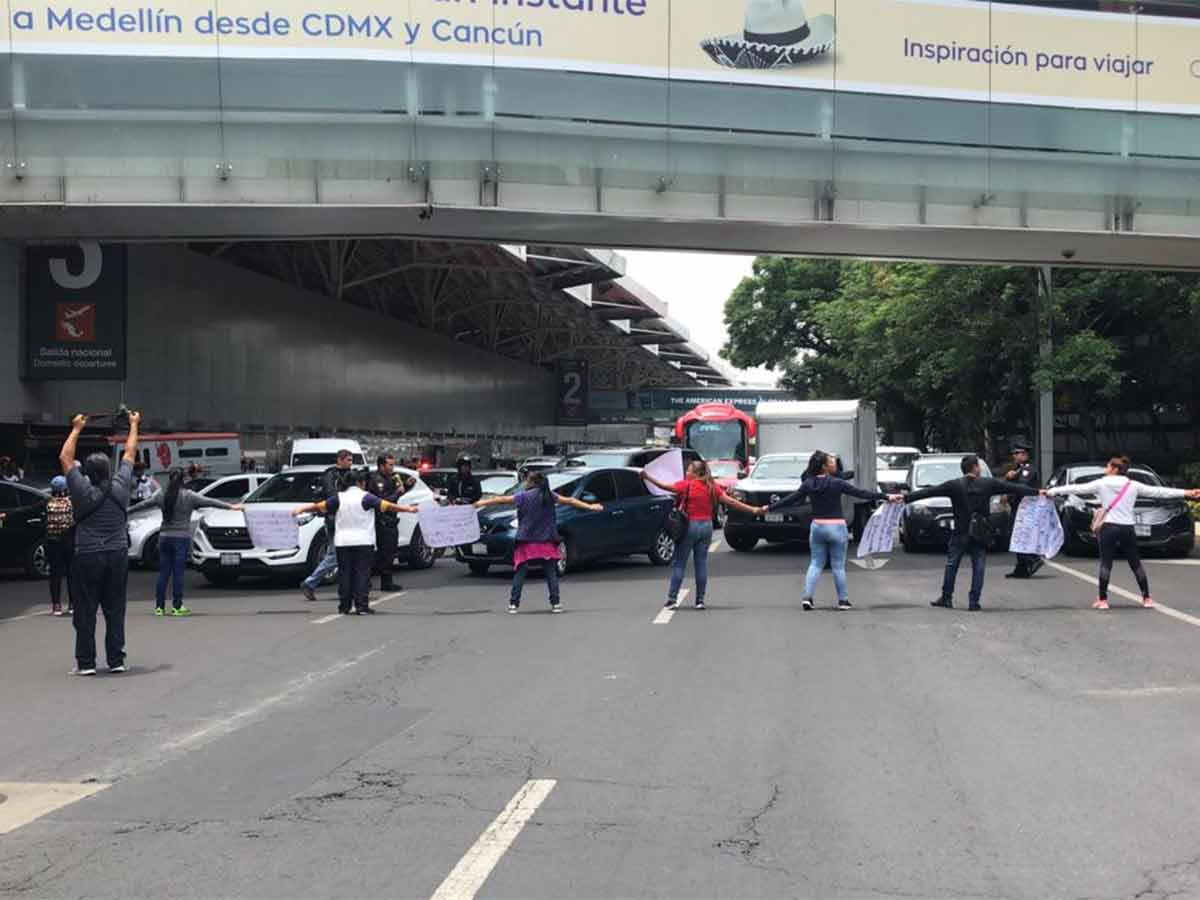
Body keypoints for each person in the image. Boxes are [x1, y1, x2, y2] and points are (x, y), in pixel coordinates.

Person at [1045, 456, 1200, 610]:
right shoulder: (1133, 485)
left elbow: (1076, 488)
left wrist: (1051, 491)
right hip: (1127, 528)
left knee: (1106, 563)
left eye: (1107, 467)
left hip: (1109, 527)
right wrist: (1187, 492)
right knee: (1135, 563)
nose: (1106, 469)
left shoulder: (1101, 483)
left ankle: (1103, 600)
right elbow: (1159, 492)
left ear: (1114, 469)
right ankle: (1147, 598)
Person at [766, 451, 904, 610]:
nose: (834, 463)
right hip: (837, 526)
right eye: (831, 461)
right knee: (838, 566)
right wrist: (887, 497)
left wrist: (769, 508)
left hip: (817, 526)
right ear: (825, 467)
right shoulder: (837, 483)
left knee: (816, 563)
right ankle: (843, 601)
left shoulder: (808, 484)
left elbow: (791, 499)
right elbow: (862, 493)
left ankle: (807, 597)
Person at [60, 410, 141, 676]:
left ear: (88, 472)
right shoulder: (121, 485)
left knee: (85, 609)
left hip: (87, 555)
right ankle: (116, 660)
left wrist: (76, 428)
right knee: (115, 608)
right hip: (117, 553)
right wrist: (133, 424)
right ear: (109, 469)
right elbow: (130, 453)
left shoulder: (80, 490)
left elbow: (65, 457)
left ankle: (86, 663)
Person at [905, 454, 1039, 611]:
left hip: (960, 531)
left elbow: (929, 492)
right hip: (980, 532)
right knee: (979, 566)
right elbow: (1014, 488)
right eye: (979, 466)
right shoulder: (988, 484)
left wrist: (904, 498)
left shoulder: (954, 485)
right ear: (975, 467)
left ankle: (946, 598)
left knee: (952, 564)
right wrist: (1038, 492)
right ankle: (973, 602)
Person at [642, 460, 768, 611]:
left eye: (689, 470)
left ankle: (671, 599)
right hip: (707, 527)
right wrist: (754, 510)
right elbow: (731, 502)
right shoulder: (711, 487)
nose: (686, 473)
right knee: (700, 563)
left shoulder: (686, 485)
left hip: (690, 526)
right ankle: (700, 600)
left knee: (679, 563)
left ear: (695, 473)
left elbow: (663, 486)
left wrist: (647, 477)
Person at [292, 467, 418, 616]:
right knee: (362, 574)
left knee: (345, 575)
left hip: (342, 542)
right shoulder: (367, 497)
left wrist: (301, 510)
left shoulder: (339, 498)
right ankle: (361, 606)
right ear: (361, 483)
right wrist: (408, 509)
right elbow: (389, 506)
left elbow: (319, 507)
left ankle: (344, 606)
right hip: (363, 542)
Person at [473, 470, 604, 613]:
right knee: (550, 573)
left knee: (520, 573)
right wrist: (591, 507)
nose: (526, 483)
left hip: (526, 540)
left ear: (533, 482)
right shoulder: (549, 496)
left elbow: (501, 500)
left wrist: (481, 503)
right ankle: (556, 603)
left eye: (528, 480)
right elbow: (570, 500)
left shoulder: (523, 497)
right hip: (546, 540)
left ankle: (513, 604)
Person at [128, 468, 244, 616]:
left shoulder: (161, 495)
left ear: (169, 479)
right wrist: (231, 507)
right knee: (178, 574)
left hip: (163, 538)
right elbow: (210, 502)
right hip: (180, 538)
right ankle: (177, 607)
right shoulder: (189, 496)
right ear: (184, 480)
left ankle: (159, 607)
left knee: (163, 573)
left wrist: (125, 511)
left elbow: (142, 505)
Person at [300, 449, 355, 602]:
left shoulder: (348, 474)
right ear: (340, 460)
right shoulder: (331, 475)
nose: (351, 463)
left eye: (351, 460)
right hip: (334, 519)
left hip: (345, 518)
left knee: (341, 554)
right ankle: (310, 583)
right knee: (335, 555)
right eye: (348, 460)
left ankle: (348, 588)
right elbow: (332, 495)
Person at [367, 454, 405, 593]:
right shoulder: (376, 480)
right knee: (383, 552)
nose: (392, 468)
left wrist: (405, 485)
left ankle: (386, 581)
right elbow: (383, 501)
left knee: (389, 552)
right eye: (389, 465)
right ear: (382, 465)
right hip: (381, 520)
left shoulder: (391, 478)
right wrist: (397, 493)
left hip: (390, 519)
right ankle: (382, 581)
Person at [1004, 444, 1043, 579]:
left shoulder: (1028, 469)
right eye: (1014, 454)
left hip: (1026, 508)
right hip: (1018, 507)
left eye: (1018, 453)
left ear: (1025, 455)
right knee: (1015, 536)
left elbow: (1022, 486)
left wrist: (1011, 479)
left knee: (1019, 536)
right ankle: (1021, 568)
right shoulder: (1017, 469)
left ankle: (1034, 558)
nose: (1014, 456)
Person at [44, 476, 77, 617]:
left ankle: (56, 605)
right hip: (68, 540)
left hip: (52, 541)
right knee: (71, 573)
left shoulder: (47, 503)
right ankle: (72, 604)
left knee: (55, 574)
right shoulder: (70, 503)